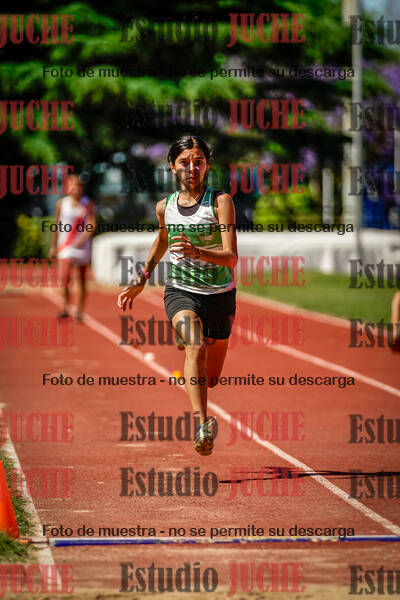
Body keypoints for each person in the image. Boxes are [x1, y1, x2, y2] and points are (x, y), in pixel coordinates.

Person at [117, 135, 238, 455]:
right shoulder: (165, 207)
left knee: (210, 379)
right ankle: (202, 425)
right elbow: (162, 239)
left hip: (220, 295)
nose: (191, 168)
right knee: (195, 347)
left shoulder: (220, 202)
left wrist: (198, 251)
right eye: (184, 162)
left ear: (207, 166)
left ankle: (190, 338)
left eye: (199, 162)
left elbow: (231, 258)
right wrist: (142, 278)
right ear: (172, 166)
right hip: (181, 290)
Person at [49, 174, 96, 322]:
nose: (76, 188)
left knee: (81, 278)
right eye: (72, 185)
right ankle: (65, 307)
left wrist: (81, 240)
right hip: (65, 245)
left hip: (82, 246)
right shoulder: (61, 203)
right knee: (64, 277)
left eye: (78, 185)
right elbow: (56, 225)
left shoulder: (87, 204)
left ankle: (79, 311)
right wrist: (53, 246)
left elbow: (92, 224)